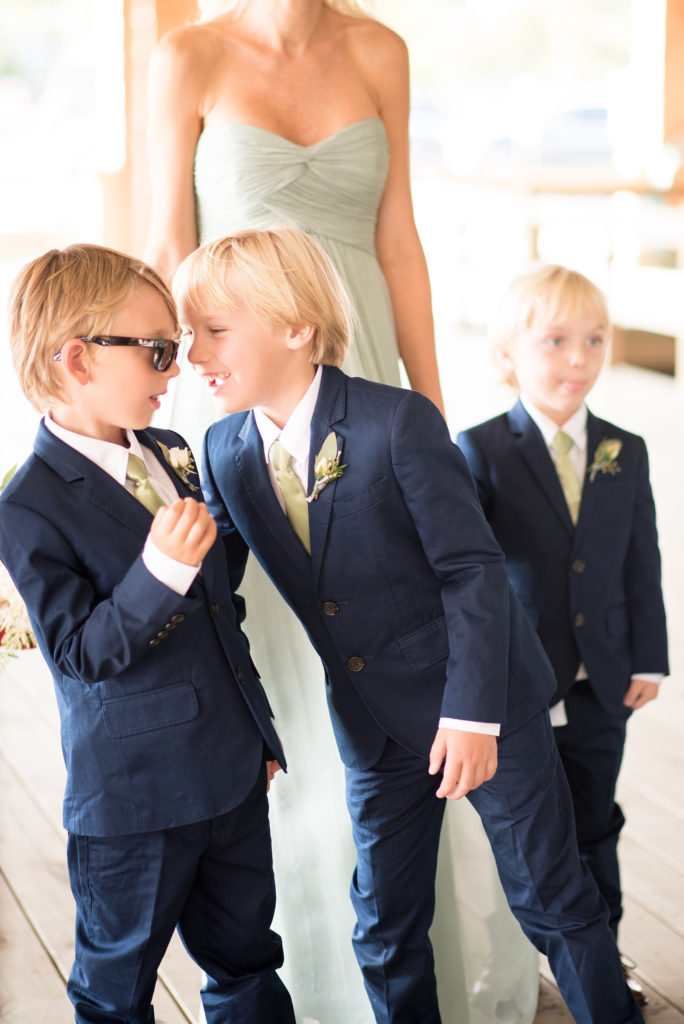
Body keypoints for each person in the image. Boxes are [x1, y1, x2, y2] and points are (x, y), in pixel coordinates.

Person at [146, 3, 538, 1020]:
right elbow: (164, 241)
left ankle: (412, 976)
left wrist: (436, 416)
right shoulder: (185, 54)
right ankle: (312, 983)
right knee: (285, 680)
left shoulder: (379, 48)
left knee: (399, 672)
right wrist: (146, 423)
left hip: (360, 371)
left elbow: (398, 240)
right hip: (239, 391)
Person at [175, 226, 646, 1024]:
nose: (193, 354)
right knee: (386, 924)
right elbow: (212, 588)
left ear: (297, 328)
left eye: (214, 331)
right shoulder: (223, 449)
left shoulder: (398, 423)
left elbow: (472, 570)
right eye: (187, 335)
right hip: (372, 725)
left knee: (554, 899)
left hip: (486, 698)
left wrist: (472, 716)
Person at [0, 244, 295, 1024]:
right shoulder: (25, 505)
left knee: (247, 960)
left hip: (230, 772)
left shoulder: (169, 451)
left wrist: (254, 728)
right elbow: (80, 652)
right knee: (115, 990)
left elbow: (213, 603)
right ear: (76, 359)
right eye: (159, 350)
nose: (175, 370)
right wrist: (158, 568)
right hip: (132, 797)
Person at [456, 265, 669, 1007]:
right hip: (523, 682)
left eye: (595, 340)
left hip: (604, 678)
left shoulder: (624, 449)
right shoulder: (479, 448)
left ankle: (603, 965)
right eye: (555, 341)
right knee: (536, 837)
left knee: (597, 822)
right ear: (509, 352)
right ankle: (536, 965)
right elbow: (468, 576)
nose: (579, 359)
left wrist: (649, 656)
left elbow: (642, 558)